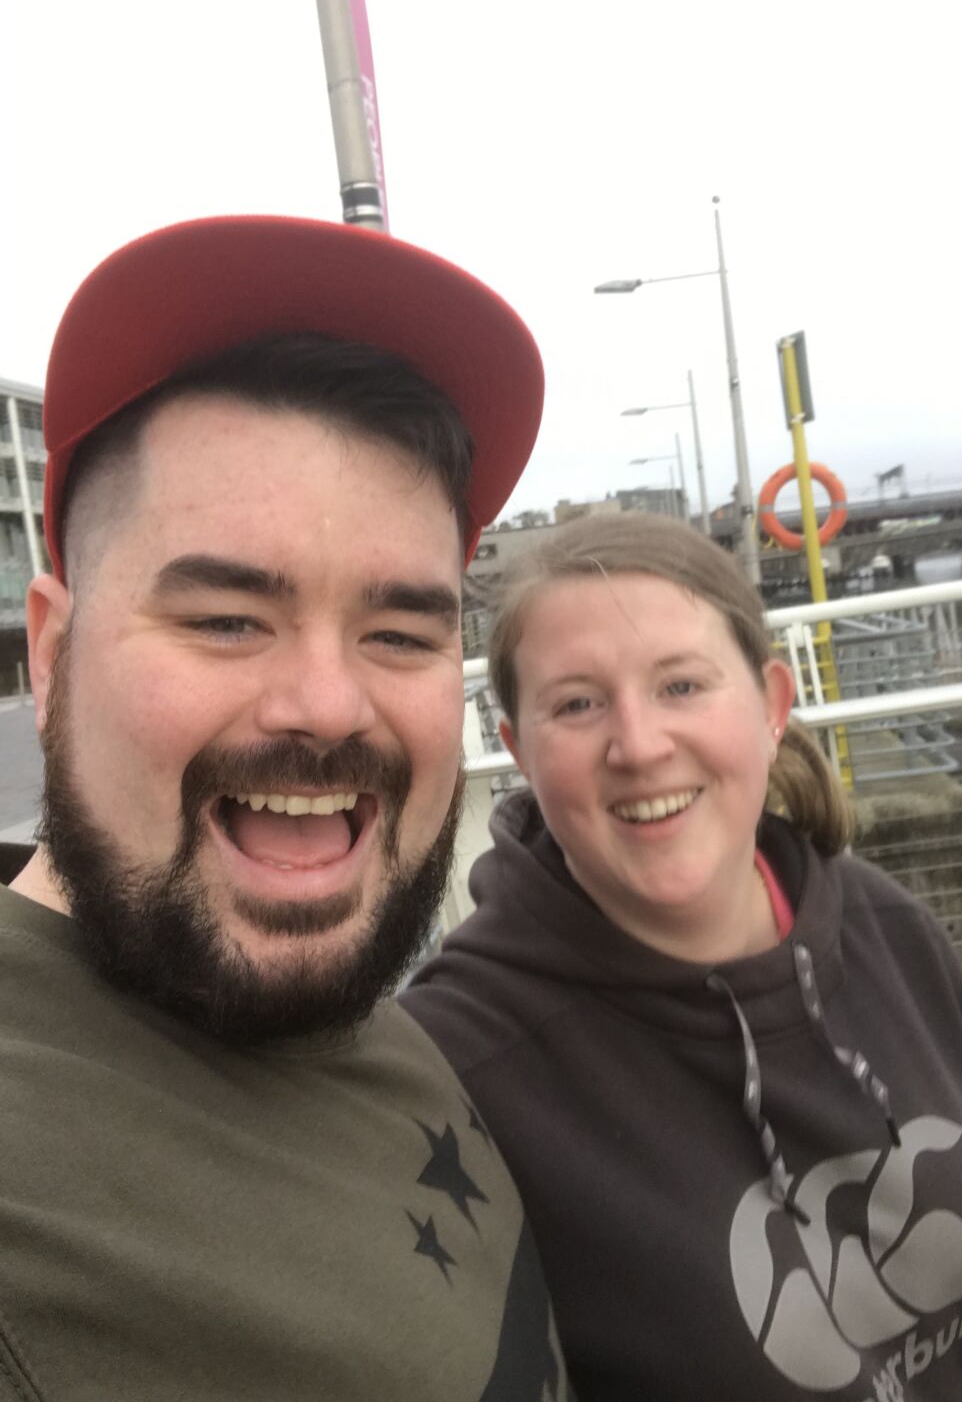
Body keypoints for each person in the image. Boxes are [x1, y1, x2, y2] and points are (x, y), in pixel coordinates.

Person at [0, 215, 571, 1401]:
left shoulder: (355, 1000)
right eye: (226, 620)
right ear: (50, 658)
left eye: (399, 633)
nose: (327, 704)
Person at [403, 511, 962, 1402]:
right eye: (577, 704)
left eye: (681, 685)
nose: (639, 745)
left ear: (770, 705)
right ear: (519, 750)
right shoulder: (459, 1064)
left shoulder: (889, 930)